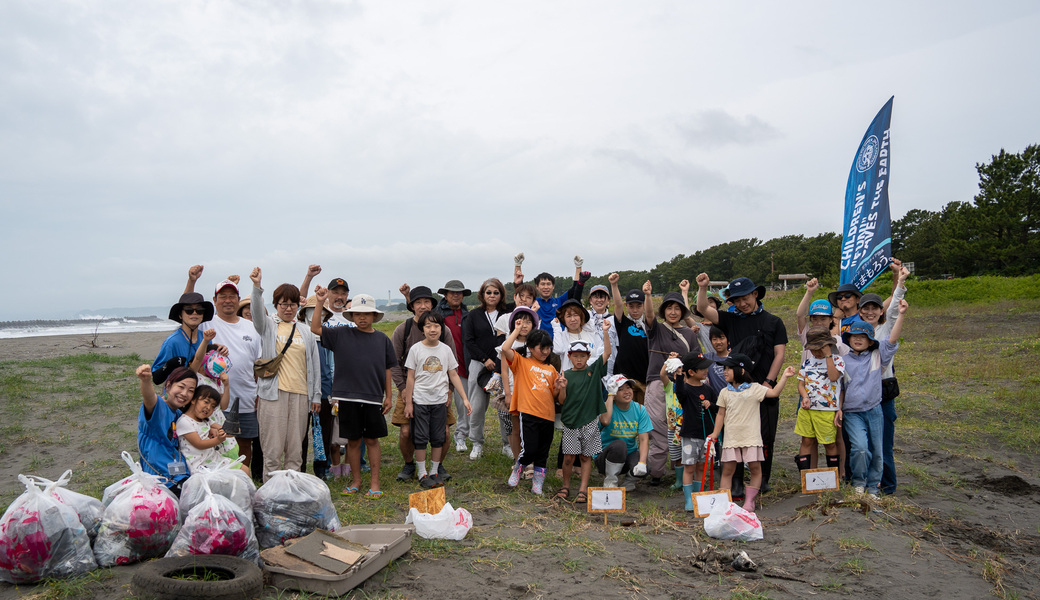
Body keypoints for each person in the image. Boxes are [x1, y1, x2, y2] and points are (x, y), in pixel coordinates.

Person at [695, 273, 788, 496]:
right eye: (736, 300)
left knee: (765, 435)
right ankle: (736, 481)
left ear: (755, 294)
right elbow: (703, 308)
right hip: (736, 389)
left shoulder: (773, 321)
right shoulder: (730, 319)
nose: (742, 303)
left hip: (764, 386)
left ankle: (762, 479)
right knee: (733, 434)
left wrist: (768, 382)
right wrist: (702, 287)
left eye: (745, 298)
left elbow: (779, 354)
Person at [310, 287, 395, 499]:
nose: (362, 317)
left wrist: (389, 396)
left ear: (374, 316)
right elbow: (315, 328)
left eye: (366, 314)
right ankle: (356, 481)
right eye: (357, 314)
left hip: (373, 397)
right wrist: (320, 302)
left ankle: (374, 483)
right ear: (352, 316)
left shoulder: (382, 339)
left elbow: (387, 369)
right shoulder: (341, 334)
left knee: (372, 440)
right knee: (353, 442)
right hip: (346, 397)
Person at [249, 267, 321, 481]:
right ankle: (270, 491)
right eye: (283, 304)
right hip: (273, 394)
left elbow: (314, 365)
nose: (288, 308)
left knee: (295, 450)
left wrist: (316, 396)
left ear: (298, 305)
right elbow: (256, 313)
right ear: (276, 305)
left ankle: (292, 489)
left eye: (292, 304)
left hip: (300, 394)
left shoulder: (305, 331)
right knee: (272, 449)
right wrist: (256, 287)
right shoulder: (268, 326)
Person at [188, 271, 263, 478]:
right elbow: (186, 308)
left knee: (245, 442)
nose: (228, 300)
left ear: (238, 300)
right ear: (214, 301)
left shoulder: (251, 327)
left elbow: (258, 365)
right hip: (214, 399)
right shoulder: (206, 324)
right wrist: (192, 281)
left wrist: (259, 393)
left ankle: (243, 479)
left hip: (247, 396)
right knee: (217, 442)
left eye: (232, 296)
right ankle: (222, 479)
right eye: (222, 297)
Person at [706, 356, 796, 513]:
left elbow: (774, 392)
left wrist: (785, 376)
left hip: (751, 437)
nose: (725, 371)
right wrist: (715, 433)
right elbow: (720, 414)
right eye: (724, 368)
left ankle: (750, 501)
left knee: (755, 468)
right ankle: (723, 504)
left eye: (729, 368)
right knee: (727, 470)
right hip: (731, 438)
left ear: (741, 370)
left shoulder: (755, 388)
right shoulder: (725, 392)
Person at [391, 285, 460, 482]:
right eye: (418, 302)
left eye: (426, 302)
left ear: (432, 305)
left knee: (444, 432)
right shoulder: (403, 329)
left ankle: (437, 466)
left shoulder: (442, 330)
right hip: (409, 388)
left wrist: (450, 389)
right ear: (412, 306)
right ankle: (409, 464)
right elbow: (394, 362)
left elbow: (452, 364)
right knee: (406, 432)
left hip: (438, 389)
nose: (423, 306)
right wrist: (403, 389)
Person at [842, 300, 908, 497]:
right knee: (860, 449)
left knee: (878, 452)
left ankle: (872, 488)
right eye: (854, 336)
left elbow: (892, 340)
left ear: (871, 341)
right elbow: (838, 388)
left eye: (863, 336)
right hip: (852, 413)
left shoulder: (878, 356)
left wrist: (901, 315)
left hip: (874, 410)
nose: (858, 339)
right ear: (848, 339)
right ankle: (858, 482)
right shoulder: (842, 360)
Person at [856, 261, 909, 495]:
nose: (870, 312)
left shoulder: (885, 330)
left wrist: (900, 282)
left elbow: (895, 308)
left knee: (884, 444)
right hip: (861, 394)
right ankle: (865, 483)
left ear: (881, 311)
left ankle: (887, 487)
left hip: (883, 393)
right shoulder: (855, 333)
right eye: (866, 308)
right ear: (859, 311)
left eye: (875, 308)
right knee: (862, 443)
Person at [402, 310, 472, 488]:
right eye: (428, 326)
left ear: (442, 328)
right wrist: (409, 403)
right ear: (422, 329)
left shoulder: (446, 350)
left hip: (440, 402)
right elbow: (410, 377)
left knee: (438, 437)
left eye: (436, 326)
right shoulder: (416, 349)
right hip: (420, 401)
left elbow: (453, 374)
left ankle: (434, 471)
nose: (432, 329)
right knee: (420, 438)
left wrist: (464, 398)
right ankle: (422, 473)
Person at [642, 280, 700, 486]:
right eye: (669, 308)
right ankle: (656, 472)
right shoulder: (656, 329)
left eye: (677, 308)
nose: (673, 312)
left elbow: (696, 360)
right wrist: (648, 295)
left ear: (682, 311)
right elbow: (649, 316)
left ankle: (682, 472)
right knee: (658, 426)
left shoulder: (689, 334)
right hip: (658, 382)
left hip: (683, 385)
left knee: (681, 427)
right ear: (664, 311)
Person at [501, 327, 566, 495]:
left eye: (548, 348)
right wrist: (517, 330)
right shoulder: (521, 362)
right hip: (528, 413)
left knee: (543, 452)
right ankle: (518, 468)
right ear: (530, 347)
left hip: (548, 416)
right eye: (541, 348)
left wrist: (560, 387)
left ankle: (537, 485)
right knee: (529, 449)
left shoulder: (551, 369)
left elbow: (555, 396)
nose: (545, 351)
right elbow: (505, 349)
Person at [557, 322, 612, 504]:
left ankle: (582, 489)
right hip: (571, 422)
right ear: (569, 357)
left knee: (586, 457)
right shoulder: (566, 375)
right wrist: (562, 387)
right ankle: (565, 486)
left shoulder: (593, 370)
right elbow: (562, 401)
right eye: (575, 356)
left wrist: (605, 332)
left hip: (589, 421)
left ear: (588, 356)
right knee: (568, 458)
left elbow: (607, 353)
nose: (579, 359)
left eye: (582, 356)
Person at [462, 277, 515, 460]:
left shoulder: (508, 312)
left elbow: (522, 300)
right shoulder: (473, 315)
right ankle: (476, 442)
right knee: (477, 406)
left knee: (505, 406)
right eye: (488, 292)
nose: (492, 296)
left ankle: (507, 443)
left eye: (496, 292)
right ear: (482, 294)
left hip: (503, 364)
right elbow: (469, 341)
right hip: (479, 364)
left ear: (501, 294)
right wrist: (484, 359)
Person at [664, 353, 717, 511]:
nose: (706, 370)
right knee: (689, 467)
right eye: (702, 368)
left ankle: (698, 496)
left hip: (706, 435)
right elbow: (679, 392)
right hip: (690, 435)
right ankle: (688, 500)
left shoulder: (708, 389)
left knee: (701, 467)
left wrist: (711, 405)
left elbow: (717, 408)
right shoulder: (685, 389)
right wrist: (680, 374)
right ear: (692, 372)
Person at [135, 364, 196, 495]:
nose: (184, 394)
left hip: (181, 476)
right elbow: (149, 398)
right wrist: (146, 381)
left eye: (191, 390)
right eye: (181, 387)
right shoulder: (159, 407)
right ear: (168, 385)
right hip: (161, 481)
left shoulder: (178, 414)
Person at [793, 327, 846, 478]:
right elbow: (801, 384)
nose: (816, 352)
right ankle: (806, 478)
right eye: (813, 349)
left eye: (820, 348)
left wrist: (828, 355)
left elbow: (833, 377)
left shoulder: (837, 360)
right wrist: (805, 397)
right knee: (806, 441)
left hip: (827, 410)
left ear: (828, 345)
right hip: (808, 410)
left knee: (829, 443)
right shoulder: (807, 363)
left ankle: (833, 478)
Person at [176, 378, 250, 476]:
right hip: (201, 466)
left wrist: (233, 430)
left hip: (214, 460)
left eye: (213, 406)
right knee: (236, 475)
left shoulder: (206, 420)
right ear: (193, 400)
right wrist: (218, 440)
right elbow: (199, 444)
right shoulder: (185, 422)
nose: (208, 407)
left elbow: (224, 430)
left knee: (244, 470)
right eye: (206, 402)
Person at [434, 279, 473, 453]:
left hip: (462, 366)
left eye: (459, 293)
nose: (456, 296)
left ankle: (461, 435)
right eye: (452, 292)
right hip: (440, 367)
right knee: (441, 404)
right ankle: (438, 437)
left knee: (463, 403)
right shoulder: (437, 314)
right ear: (445, 295)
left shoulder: (467, 314)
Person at [497, 306, 539, 461]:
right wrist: (508, 394)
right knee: (516, 429)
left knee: (530, 428)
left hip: (532, 392)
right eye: (520, 322)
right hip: (514, 391)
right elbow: (504, 372)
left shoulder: (536, 345)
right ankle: (518, 461)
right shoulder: (509, 345)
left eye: (528, 322)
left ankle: (530, 459)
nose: (524, 326)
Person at [596, 375, 651, 490]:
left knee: (647, 465)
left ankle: (629, 481)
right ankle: (611, 479)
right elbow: (605, 421)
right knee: (620, 445)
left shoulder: (640, 409)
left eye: (628, 387)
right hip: (606, 457)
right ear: (613, 394)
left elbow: (643, 439)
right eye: (620, 389)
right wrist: (610, 396)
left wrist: (642, 462)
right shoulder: (607, 407)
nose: (626, 392)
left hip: (628, 456)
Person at [151, 291, 218, 385]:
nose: (194, 313)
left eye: (199, 310)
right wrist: (170, 364)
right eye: (189, 310)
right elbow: (156, 378)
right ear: (180, 315)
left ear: (203, 315)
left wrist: (220, 352)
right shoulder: (172, 342)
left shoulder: (206, 339)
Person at [607, 273, 648, 404]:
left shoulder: (648, 326)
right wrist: (614, 285)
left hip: (644, 378)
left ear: (644, 305)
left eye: (638, 306)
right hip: (625, 378)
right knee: (625, 410)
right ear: (627, 305)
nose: (635, 310)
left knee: (642, 411)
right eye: (631, 306)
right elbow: (618, 305)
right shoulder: (623, 322)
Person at [526, 253, 590, 337]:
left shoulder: (560, 301)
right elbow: (520, 295)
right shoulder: (533, 303)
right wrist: (518, 265)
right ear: (537, 287)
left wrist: (578, 267)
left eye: (548, 284)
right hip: (539, 343)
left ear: (553, 286)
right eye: (543, 284)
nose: (546, 287)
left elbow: (574, 289)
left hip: (560, 342)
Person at [586, 284, 619, 376]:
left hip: (610, 368)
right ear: (590, 300)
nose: (599, 300)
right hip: (588, 366)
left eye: (602, 297)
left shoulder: (614, 320)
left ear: (608, 300)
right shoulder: (585, 318)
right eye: (596, 297)